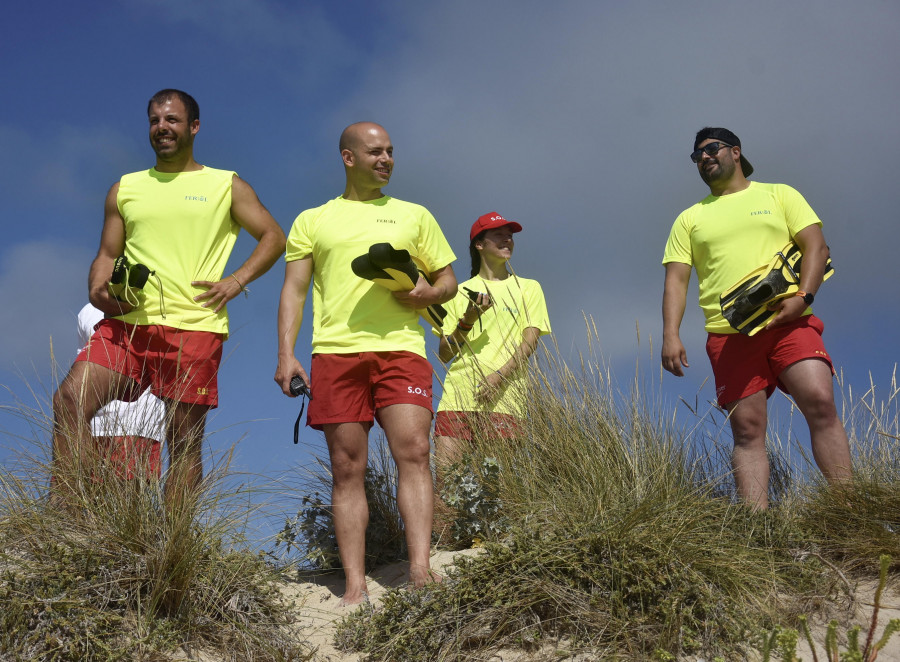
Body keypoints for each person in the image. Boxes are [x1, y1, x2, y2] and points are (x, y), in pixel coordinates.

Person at [52, 89, 286, 508]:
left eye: (173, 120)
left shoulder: (225, 184)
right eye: (156, 121)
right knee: (69, 400)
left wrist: (236, 280)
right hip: (127, 324)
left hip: (194, 327)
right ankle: (68, 513)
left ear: (193, 127)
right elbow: (107, 254)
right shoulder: (125, 188)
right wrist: (97, 289)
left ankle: (174, 544)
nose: (163, 127)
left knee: (183, 443)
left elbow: (274, 237)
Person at [274, 122, 458, 606]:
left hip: (401, 347)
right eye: (375, 151)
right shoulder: (312, 220)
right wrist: (286, 353)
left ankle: (419, 568)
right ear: (348, 158)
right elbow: (293, 289)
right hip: (335, 351)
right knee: (345, 466)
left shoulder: (414, 215)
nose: (386, 159)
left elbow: (448, 281)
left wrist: (428, 292)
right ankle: (354, 584)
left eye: (391, 152)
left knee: (415, 450)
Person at [661, 127, 852, 510]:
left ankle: (851, 510)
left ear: (735, 151)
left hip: (790, 322)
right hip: (728, 334)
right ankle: (758, 528)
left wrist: (803, 297)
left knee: (819, 402)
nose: (704, 157)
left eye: (712, 149)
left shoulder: (779, 194)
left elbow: (815, 245)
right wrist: (670, 334)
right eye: (697, 155)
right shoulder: (689, 218)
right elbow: (676, 281)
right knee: (747, 431)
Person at [434, 212, 551, 470]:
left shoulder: (529, 288)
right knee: (447, 486)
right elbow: (444, 353)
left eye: (509, 235)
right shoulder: (457, 291)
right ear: (479, 244)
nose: (507, 239)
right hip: (458, 397)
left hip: (507, 402)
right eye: (498, 234)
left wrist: (498, 377)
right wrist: (468, 319)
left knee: (498, 490)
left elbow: (530, 342)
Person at [76, 303, 166, 480]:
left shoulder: (159, 303)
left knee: (128, 503)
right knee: (74, 498)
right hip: (87, 426)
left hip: (136, 424)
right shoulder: (88, 310)